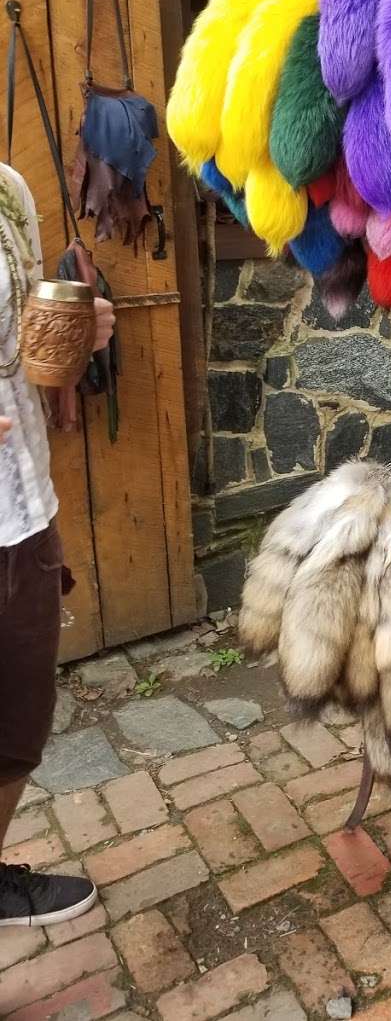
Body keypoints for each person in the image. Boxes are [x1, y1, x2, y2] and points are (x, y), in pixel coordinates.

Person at [0, 161, 114, 927]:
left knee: (17, 729)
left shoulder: (10, 190)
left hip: (20, 509)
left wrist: (77, 332)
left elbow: (28, 346)